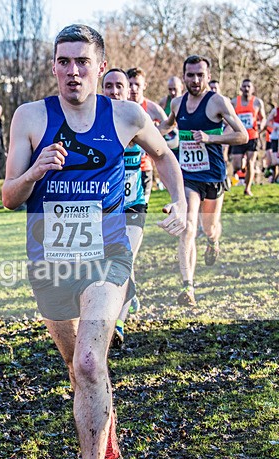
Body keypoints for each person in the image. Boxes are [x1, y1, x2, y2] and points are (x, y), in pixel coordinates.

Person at [3, 25, 187, 459]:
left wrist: (180, 203)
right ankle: (105, 433)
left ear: (101, 66)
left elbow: (166, 158)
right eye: (63, 61)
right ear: (54, 66)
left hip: (107, 254)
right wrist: (35, 170)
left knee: (88, 361)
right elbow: (7, 195)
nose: (72, 70)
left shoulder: (126, 114)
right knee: (77, 366)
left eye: (82, 61)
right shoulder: (31, 117)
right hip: (50, 261)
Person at [160, 56, 248, 305]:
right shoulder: (177, 104)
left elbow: (242, 135)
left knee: (209, 228)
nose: (195, 80)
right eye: (190, 75)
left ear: (208, 76)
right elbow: (165, 127)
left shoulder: (217, 102)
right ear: (184, 76)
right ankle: (188, 287)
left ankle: (213, 241)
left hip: (213, 176)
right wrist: (140, 134)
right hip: (188, 176)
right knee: (188, 226)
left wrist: (210, 139)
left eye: (200, 75)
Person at [103, 69, 147, 347]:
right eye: (109, 86)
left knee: (125, 260)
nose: (115, 91)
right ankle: (125, 294)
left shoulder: (137, 117)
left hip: (134, 205)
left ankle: (118, 325)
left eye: (120, 86)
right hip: (107, 209)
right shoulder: (94, 121)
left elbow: (164, 150)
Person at [127, 67, 169, 203]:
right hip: (122, 167)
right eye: (130, 84)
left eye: (137, 84)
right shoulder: (121, 106)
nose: (133, 89)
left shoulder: (152, 108)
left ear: (144, 86)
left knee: (141, 208)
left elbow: (171, 128)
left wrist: (155, 134)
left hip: (144, 167)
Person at [231, 78, 266, 196]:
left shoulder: (257, 102)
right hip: (239, 136)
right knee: (237, 165)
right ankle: (243, 166)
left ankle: (247, 188)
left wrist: (262, 126)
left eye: (248, 86)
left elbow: (263, 118)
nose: (246, 89)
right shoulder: (235, 102)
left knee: (251, 162)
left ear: (253, 89)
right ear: (241, 88)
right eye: (244, 86)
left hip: (253, 136)